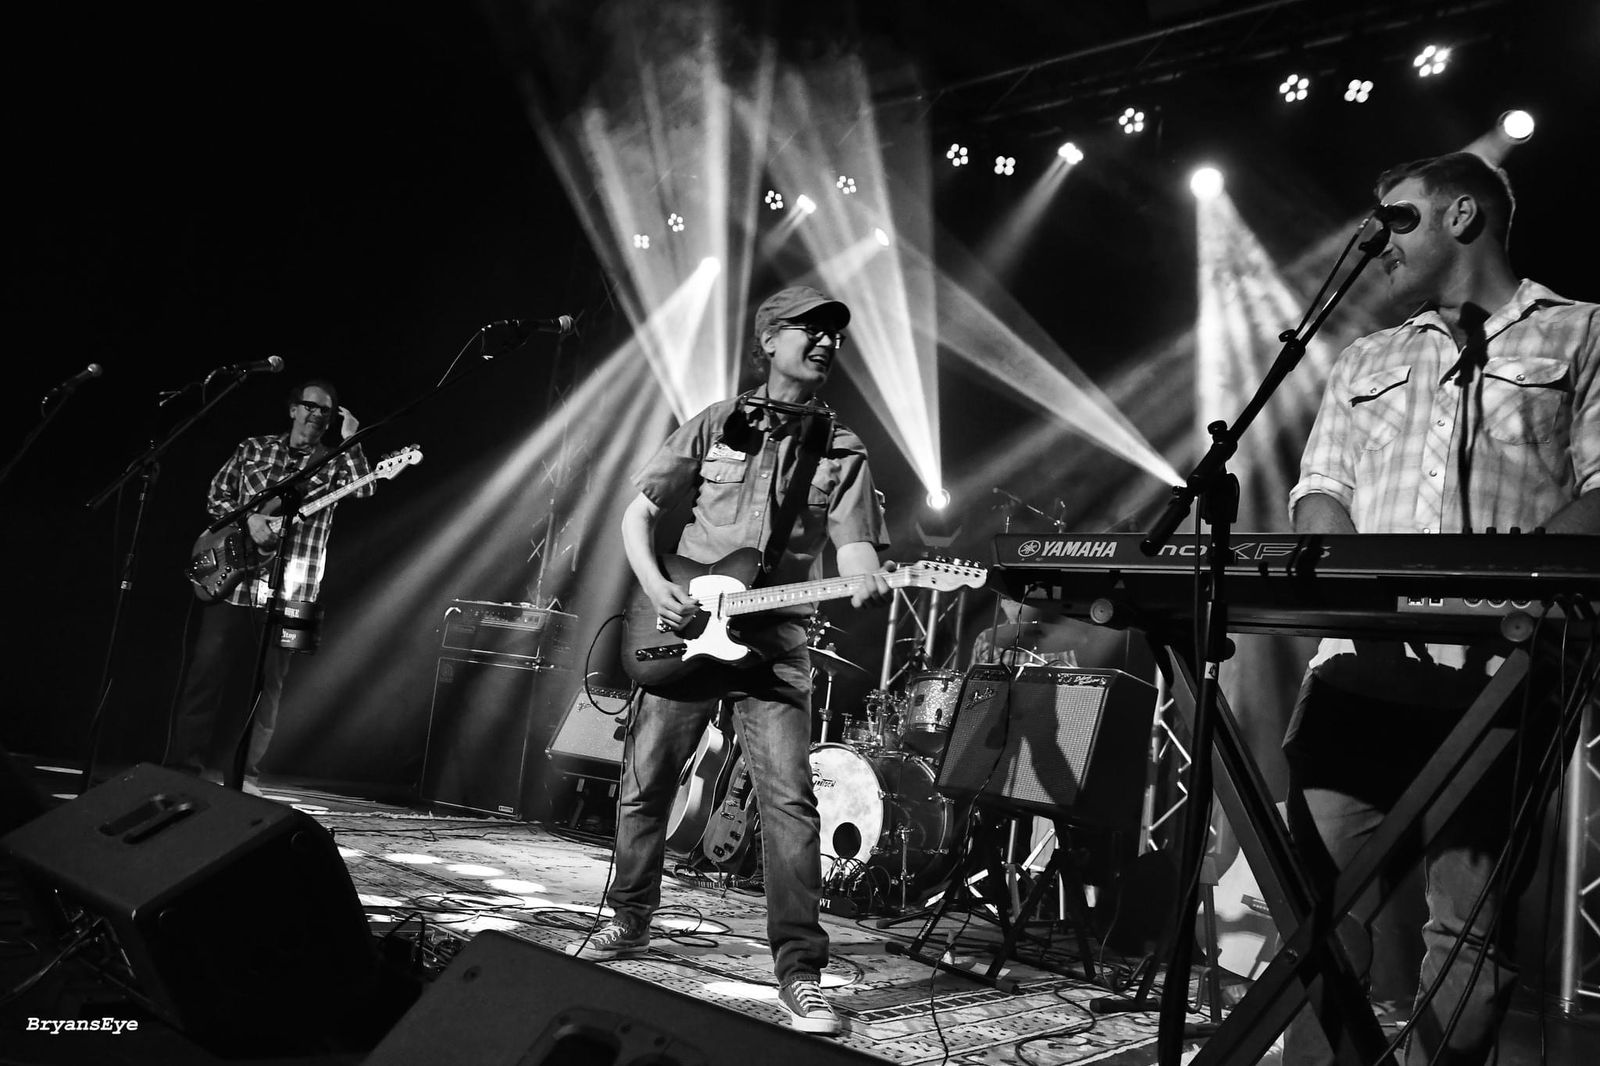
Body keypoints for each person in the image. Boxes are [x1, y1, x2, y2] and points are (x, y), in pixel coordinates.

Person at [1283, 152, 1597, 1064]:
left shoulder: (1583, 333)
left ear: (1463, 214)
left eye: (1400, 218)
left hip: (1502, 683)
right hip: (1356, 677)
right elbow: (1319, 491)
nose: (1379, 241)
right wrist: (1364, 595)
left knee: (1467, 941)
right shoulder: (1365, 356)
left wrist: (1502, 582)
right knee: (1315, 919)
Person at [571, 285, 891, 1036]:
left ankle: (801, 973)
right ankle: (630, 916)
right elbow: (640, 513)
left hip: (774, 643)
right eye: (811, 330)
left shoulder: (842, 447)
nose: (827, 343)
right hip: (685, 627)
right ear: (770, 339)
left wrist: (869, 572)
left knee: (790, 805)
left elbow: (854, 546)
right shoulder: (718, 422)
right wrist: (657, 587)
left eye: (835, 335)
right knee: (647, 783)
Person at [165, 380, 372, 794]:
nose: (316, 415)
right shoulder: (253, 448)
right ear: (293, 409)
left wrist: (353, 440)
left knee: (270, 688)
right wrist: (250, 520)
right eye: (310, 406)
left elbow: (366, 487)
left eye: (325, 411)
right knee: (206, 676)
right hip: (234, 584)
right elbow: (217, 494)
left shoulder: (334, 461)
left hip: (296, 591)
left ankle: (245, 777)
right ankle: (183, 769)